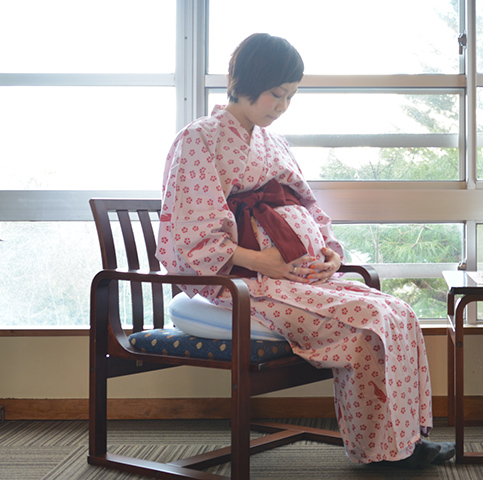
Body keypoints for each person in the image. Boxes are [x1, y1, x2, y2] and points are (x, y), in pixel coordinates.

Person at [156, 33, 453, 468]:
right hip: (243, 282)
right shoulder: (199, 139)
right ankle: (383, 452)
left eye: (290, 97)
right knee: (369, 325)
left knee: (400, 312)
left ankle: (406, 441)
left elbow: (307, 204)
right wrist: (262, 261)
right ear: (248, 81)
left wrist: (331, 251)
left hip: (297, 275)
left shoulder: (274, 143)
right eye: (277, 94)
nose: (281, 107)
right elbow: (191, 229)